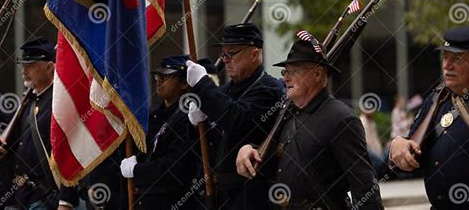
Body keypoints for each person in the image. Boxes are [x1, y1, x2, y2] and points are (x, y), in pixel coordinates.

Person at [236, 34, 383, 209]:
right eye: (285, 71)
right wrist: (249, 149)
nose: (285, 78)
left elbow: (364, 185)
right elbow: (275, 162)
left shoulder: (341, 118)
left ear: (317, 73)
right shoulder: (288, 112)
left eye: (293, 71)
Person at [185, 23, 284, 209]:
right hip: (218, 193)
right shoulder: (224, 92)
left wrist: (202, 85)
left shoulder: (268, 89)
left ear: (254, 54)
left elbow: (236, 119)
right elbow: (201, 146)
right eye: (223, 54)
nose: (226, 60)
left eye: (232, 53)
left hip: (249, 194)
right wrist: (195, 124)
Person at [389, 25, 469, 209]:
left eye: (456, 58)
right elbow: (413, 155)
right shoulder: (437, 99)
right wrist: (398, 146)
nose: (447, 65)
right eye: (445, 57)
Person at [0, 37, 79, 209]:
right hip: (22, 197)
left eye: (31, 65)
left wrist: (66, 201)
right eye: (23, 65)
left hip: (48, 198)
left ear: (50, 67)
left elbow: (71, 154)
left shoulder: (60, 103)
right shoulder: (30, 101)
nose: (24, 70)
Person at [119, 55, 198, 210]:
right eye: (158, 75)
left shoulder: (189, 116)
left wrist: (136, 170)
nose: (159, 80)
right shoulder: (152, 115)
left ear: (183, 83)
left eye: (166, 76)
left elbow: (174, 167)